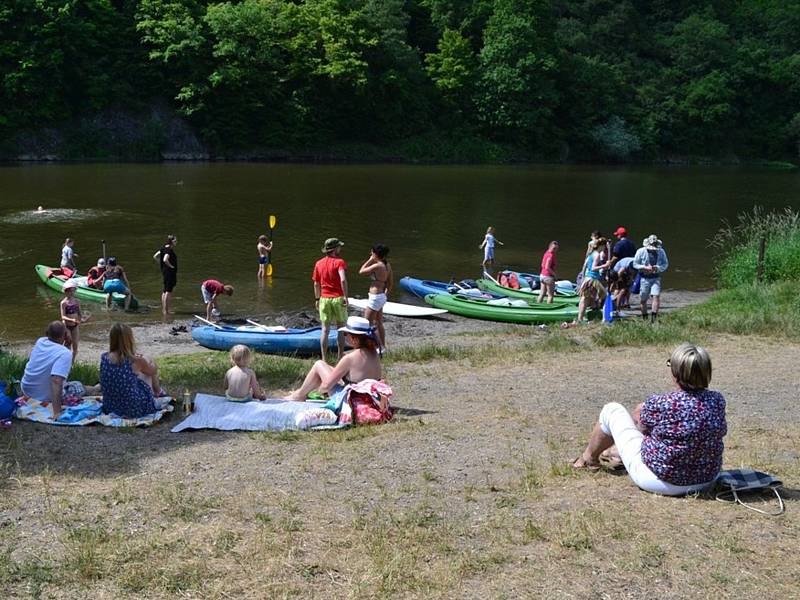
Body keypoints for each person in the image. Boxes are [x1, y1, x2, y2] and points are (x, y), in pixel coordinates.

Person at [573, 343, 726, 496]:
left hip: (659, 481)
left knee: (612, 410)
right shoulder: (717, 401)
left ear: (675, 372)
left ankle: (588, 459)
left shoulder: (660, 403)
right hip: (706, 480)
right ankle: (615, 452)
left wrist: (644, 410)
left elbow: (641, 428)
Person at [286, 317, 382, 402]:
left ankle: (299, 395)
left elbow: (326, 386)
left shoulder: (349, 358)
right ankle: (299, 392)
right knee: (329, 370)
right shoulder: (374, 353)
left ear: (355, 339)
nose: (344, 336)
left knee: (319, 364)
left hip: (350, 400)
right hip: (370, 397)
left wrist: (318, 391)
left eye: (345, 334)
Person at [20, 322, 99, 419]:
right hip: (42, 396)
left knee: (66, 383)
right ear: (65, 335)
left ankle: (95, 388)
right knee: (77, 385)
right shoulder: (65, 354)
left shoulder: (40, 341)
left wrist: (68, 345)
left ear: (47, 333)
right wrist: (57, 412)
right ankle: (96, 388)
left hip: (27, 390)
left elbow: (59, 358)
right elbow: (56, 381)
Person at [100, 323, 163, 418]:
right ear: (130, 339)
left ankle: (157, 392)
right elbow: (153, 371)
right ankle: (158, 392)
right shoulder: (135, 361)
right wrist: (147, 360)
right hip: (133, 408)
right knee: (148, 362)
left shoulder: (104, 357)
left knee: (135, 373)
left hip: (110, 407)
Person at [312, 238, 348, 361]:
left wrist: (317, 299)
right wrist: (346, 296)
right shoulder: (340, 262)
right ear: (335, 249)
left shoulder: (318, 263)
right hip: (337, 298)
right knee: (341, 329)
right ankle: (340, 357)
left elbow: (316, 283)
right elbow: (342, 279)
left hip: (324, 298)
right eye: (339, 247)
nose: (340, 249)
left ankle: (324, 358)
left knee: (325, 330)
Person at [358, 244, 392, 351]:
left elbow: (361, 271)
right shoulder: (387, 265)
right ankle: (382, 347)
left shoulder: (378, 266)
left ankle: (370, 348)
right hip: (381, 296)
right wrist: (385, 296)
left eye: (372, 253)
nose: (370, 254)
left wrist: (370, 260)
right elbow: (390, 283)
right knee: (378, 322)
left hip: (375, 297)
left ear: (376, 254)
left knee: (366, 323)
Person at [633, 234, 669, 322]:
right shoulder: (641, 251)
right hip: (644, 278)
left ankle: (653, 320)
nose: (653, 250)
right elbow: (635, 264)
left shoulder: (661, 251)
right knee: (643, 300)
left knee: (656, 296)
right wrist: (644, 267)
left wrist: (658, 268)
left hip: (656, 278)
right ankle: (645, 319)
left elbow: (665, 264)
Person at [575, 238, 612, 323]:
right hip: (593, 279)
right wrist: (604, 265)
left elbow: (585, 266)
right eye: (604, 247)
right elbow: (593, 268)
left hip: (587, 278)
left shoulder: (591, 253)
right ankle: (605, 319)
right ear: (601, 246)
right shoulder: (597, 255)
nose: (605, 249)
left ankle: (580, 318)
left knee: (585, 299)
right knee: (605, 297)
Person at [60, 279, 89, 363]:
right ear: (65, 292)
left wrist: (82, 319)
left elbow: (79, 313)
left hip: (75, 326)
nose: (71, 293)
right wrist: (72, 319)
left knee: (75, 345)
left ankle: (72, 363)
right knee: (68, 343)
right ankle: (65, 361)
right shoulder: (63, 303)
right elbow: (63, 316)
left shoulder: (77, 301)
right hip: (66, 326)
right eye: (69, 291)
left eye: (73, 291)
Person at [153, 235, 178, 315]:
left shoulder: (163, 247)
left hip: (164, 272)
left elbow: (155, 256)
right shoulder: (169, 250)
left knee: (165, 290)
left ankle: (164, 310)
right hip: (170, 273)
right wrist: (171, 266)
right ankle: (166, 311)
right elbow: (165, 259)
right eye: (175, 241)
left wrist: (161, 264)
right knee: (168, 291)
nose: (176, 242)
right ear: (172, 241)